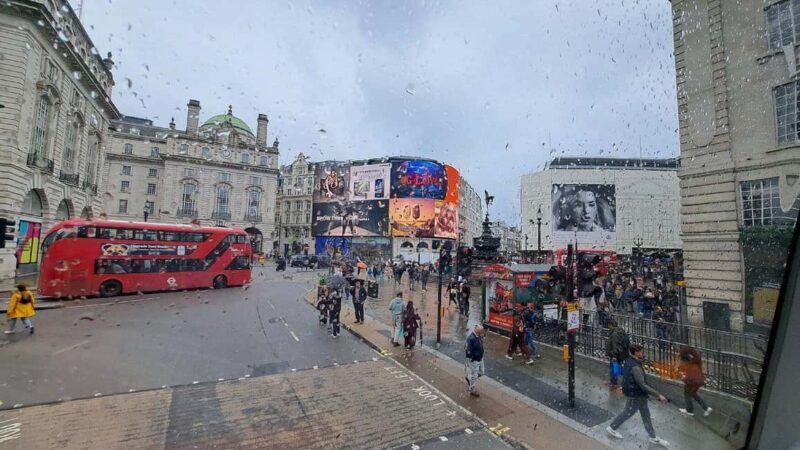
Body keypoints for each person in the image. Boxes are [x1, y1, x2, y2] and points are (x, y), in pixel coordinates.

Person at [606, 344, 670, 448]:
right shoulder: (635, 366)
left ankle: (652, 437)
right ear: (636, 353)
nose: (643, 353)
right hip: (635, 395)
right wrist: (658, 395)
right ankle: (612, 427)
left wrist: (623, 387)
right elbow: (642, 384)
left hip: (638, 395)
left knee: (645, 415)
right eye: (641, 351)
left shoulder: (628, 362)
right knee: (628, 413)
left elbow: (626, 376)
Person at [677, 346, 712, 417]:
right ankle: (706, 408)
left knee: (687, 393)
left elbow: (689, 379)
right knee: (693, 394)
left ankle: (689, 411)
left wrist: (683, 378)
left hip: (693, 382)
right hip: (699, 381)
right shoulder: (694, 361)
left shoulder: (689, 364)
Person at [605, 320, 630, 389]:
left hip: (616, 355)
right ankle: (614, 381)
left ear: (611, 325)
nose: (608, 327)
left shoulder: (615, 334)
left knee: (613, 368)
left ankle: (614, 383)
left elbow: (615, 345)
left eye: (609, 325)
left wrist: (614, 355)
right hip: (622, 354)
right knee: (616, 367)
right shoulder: (621, 331)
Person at [464, 325, 486, 397]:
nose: (482, 332)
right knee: (475, 375)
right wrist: (472, 358)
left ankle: (469, 377)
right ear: (478, 331)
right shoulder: (471, 339)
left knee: (482, 372)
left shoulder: (478, 336)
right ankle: (472, 389)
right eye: (481, 331)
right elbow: (467, 350)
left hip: (480, 358)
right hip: (475, 360)